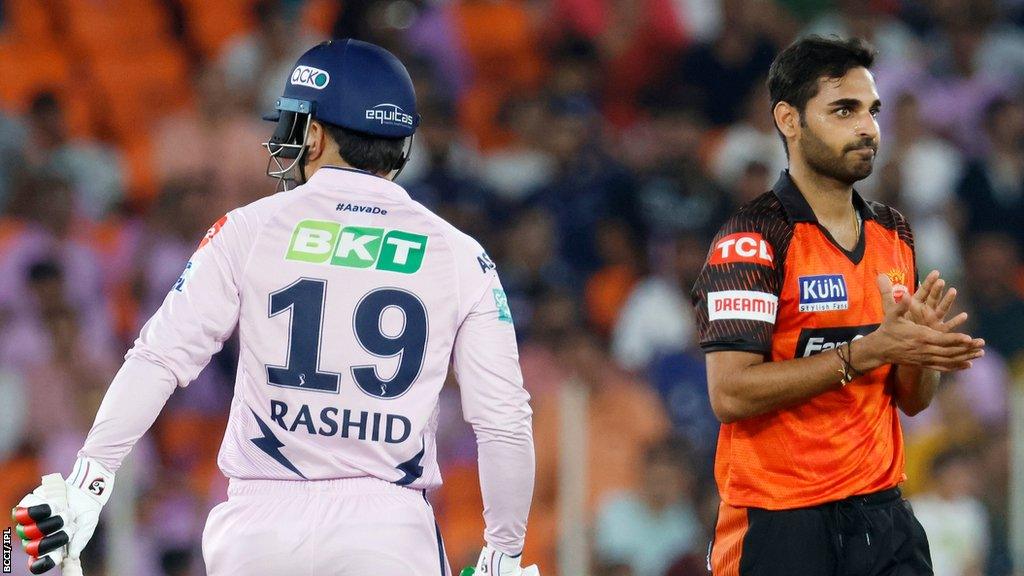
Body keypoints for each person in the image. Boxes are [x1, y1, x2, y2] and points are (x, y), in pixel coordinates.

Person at [13, 39, 537, 576]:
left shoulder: (249, 227)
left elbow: (158, 358)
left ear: (313, 133)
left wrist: (90, 480)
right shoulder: (460, 255)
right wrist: (504, 552)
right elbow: (504, 423)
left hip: (258, 526)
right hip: (386, 530)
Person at [690, 35, 985, 575]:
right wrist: (868, 350)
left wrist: (921, 350)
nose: (868, 128)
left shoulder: (893, 232)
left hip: (883, 513)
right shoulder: (751, 237)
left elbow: (912, 400)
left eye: (872, 110)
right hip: (781, 520)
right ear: (789, 120)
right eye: (844, 110)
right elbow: (730, 393)